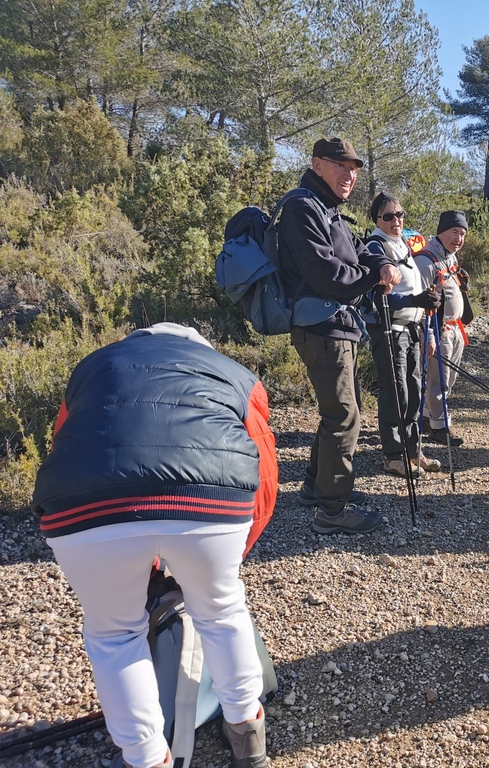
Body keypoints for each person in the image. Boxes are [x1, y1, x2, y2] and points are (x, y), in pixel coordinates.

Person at [31, 323, 277, 768]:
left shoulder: (92, 367)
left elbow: (63, 443)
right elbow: (262, 467)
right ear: (199, 346)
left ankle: (146, 757)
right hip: (211, 498)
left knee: (115, 634)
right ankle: (247, 734)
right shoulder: (232, 372)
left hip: (81, 507)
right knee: (221, 612)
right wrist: (228, 557)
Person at [277, 137, 401, 535]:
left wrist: (380, 262)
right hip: (322, 327)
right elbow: (326, 275)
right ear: (317, 165)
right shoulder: (302, 208)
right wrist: (374, 277)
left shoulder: (328, 209)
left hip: (338, 326)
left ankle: (317, 488)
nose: (349, 175)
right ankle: (332, 510)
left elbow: (363, 249)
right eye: (340, 166)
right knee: (344, 417)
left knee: (341, 411)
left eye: (354, 169)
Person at [362, 192, 443, 478]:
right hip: (389, 331)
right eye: (389, 216)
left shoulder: (402, 244)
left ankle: (413, 450)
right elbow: (377, 298)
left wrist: (427, 300)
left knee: (415, 391)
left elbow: (410, 287)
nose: (396, 220)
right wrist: (414, 301)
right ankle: (393, 456)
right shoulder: (375, 247)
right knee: (396, 393)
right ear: (377, 220)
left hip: (412, 329)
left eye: (400, 214)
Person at [416, 210, 471, 447]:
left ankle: (428, 419)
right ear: (441, 232)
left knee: (447, 379)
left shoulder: (450, 258)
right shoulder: (426, 261)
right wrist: (428, 335)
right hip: (438, 331)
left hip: (454, 329)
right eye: (454, 232)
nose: (458, 239)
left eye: (462, 234)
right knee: (439, 381)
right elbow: (420, 304)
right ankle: (440, 428)